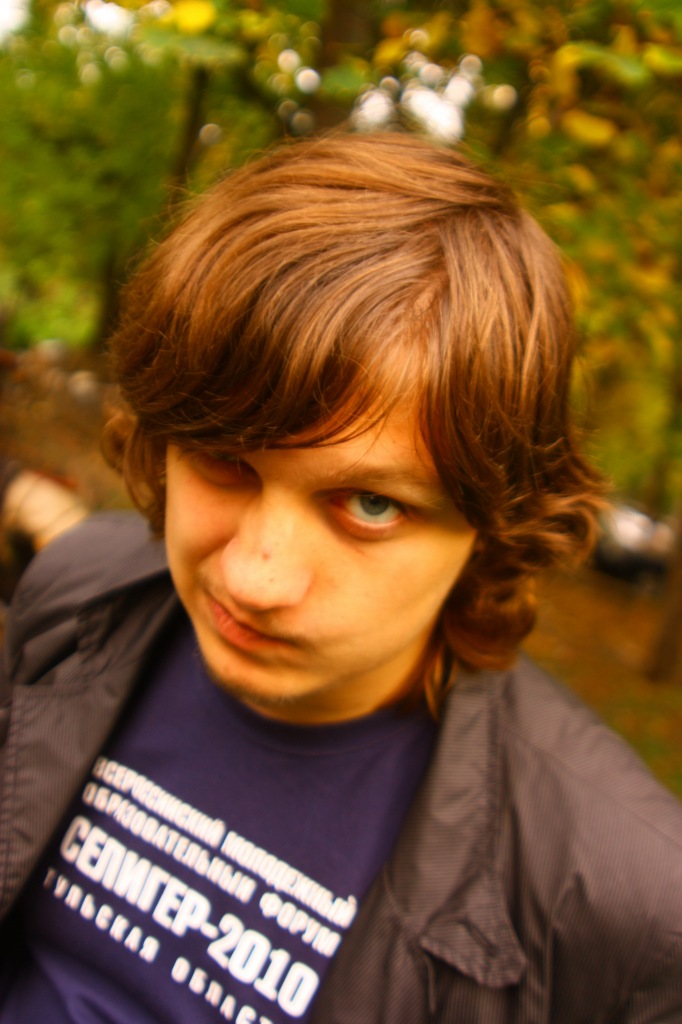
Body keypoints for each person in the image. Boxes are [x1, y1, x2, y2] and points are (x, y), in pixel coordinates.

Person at [1, 131, 681, 1024]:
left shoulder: (624, 899)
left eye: (371, 504)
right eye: (223, 460)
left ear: (493, 525)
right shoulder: (78, 591)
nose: (256, 577)